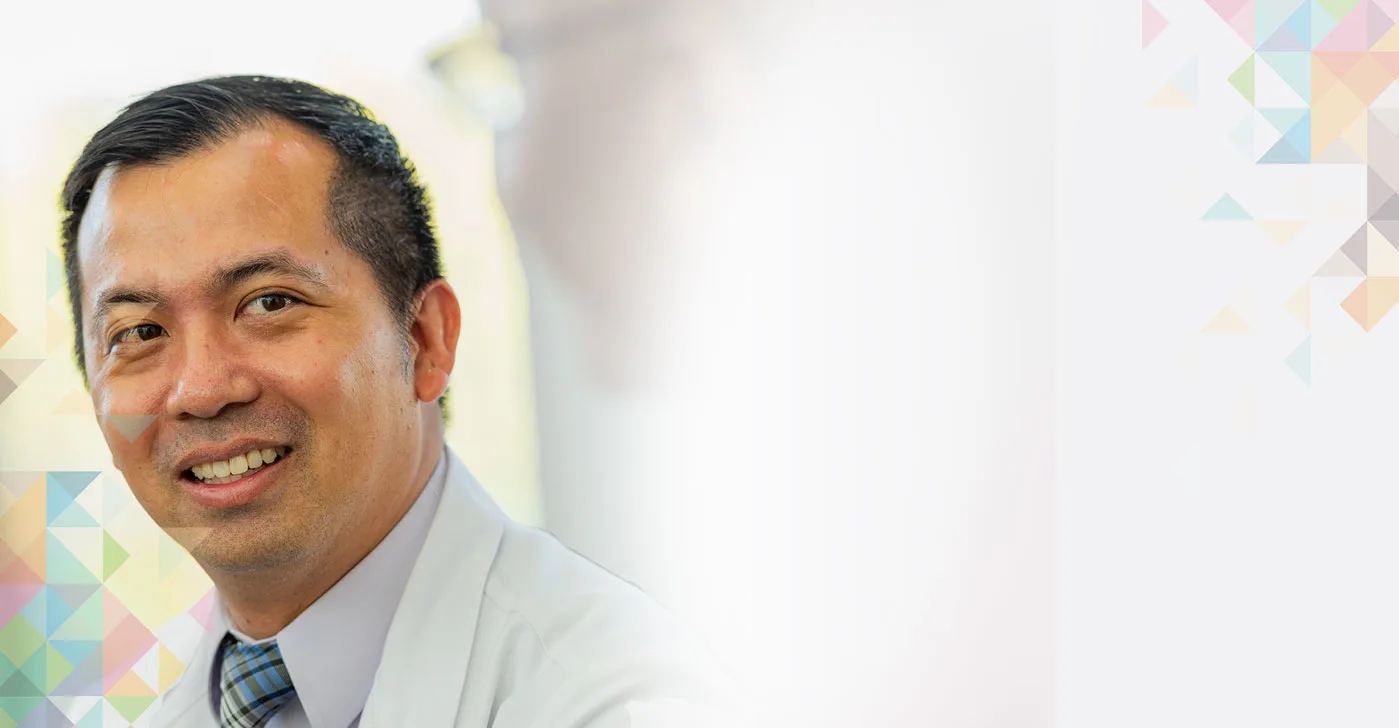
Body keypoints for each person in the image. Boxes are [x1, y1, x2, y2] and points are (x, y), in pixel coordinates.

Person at [58, 75, 732, 728]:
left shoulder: (616, 698)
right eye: (138, 333)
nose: (201, 390)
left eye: (269, 302)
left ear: (425, 339)